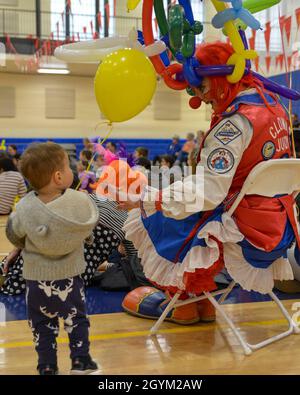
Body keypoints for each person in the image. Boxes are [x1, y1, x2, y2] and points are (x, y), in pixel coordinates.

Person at [121, 41, 299, 322]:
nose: (201, 98)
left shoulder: (234, 124)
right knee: (185, 209)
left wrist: (147, 198)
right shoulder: (276, 108)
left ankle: (184, 304)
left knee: (154, 215)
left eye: (201, 88)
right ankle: (199, 303)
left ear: (218, 79)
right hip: (281, 227)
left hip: (247, 231)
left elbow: (208, 192)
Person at [5, 142, 99, 375]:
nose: (72, 171)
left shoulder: (24, 208)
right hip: (70, 278)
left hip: (36, 280)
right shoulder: (79, 201)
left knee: (41, 325)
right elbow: (89, 228)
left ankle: (47, 365)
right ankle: (80, 361)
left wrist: (20, 246)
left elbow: (14, 234)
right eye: (68, 167)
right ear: (58, 176)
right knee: (76, 319)